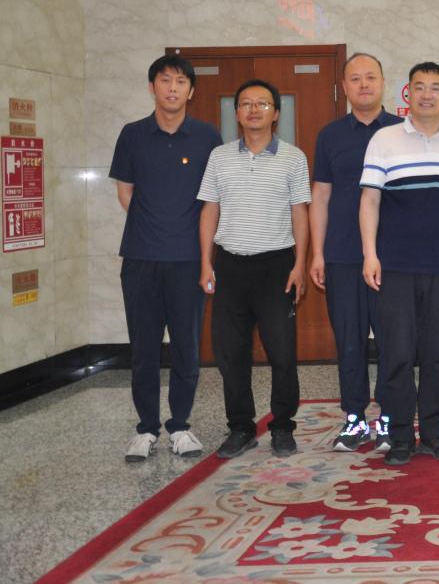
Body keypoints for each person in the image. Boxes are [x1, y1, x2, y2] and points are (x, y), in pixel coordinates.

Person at [109, 55, 221, 462]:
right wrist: (154, 225)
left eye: (180, 82)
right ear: (152, 87)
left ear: (191, 90)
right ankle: (145, 429)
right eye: (164, 80)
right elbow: (125, 192)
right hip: (141, 258)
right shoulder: (133, 134)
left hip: (189, 260)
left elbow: (213, 201)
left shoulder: (207, 137)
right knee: (144, 348)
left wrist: (203, 256)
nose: (172, 88)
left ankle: (180, 426)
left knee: (187, 347)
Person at [198, 79, 311, 459]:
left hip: (276, 266)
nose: (253, 110)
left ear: (276, 113)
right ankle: (241, 427)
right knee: (231, 354)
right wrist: (206, 262)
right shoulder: (219, 157)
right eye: (246, 103)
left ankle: (282, 426)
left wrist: (300, 264)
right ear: (237, 113)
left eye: (262, 104)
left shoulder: (293, 158)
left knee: (282, 352)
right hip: (230, 266)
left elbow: (300, 213)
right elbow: (210, 209)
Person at [361, 62, 439, 466]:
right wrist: (370, 254)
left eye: (435, 87)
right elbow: (369, 200)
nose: (427, 94)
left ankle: (435, 434)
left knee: (437, 353)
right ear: (408, 93)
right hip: (395, 266)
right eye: (419, 87)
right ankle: (401, 434)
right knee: (397, 353)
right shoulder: (384, 139)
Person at [310, 52, 402, 452]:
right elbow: (320, 196)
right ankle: (354, 418)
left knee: (392, 340)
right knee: (348, 340)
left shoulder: (401, 130)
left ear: (382, 82)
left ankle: (388, 417)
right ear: (344, 86)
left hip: (394, 256)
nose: (363, 84)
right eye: (355, 78)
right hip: (343, 254)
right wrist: (317, 253)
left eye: (370, 77)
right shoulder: (330, 136)